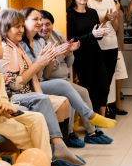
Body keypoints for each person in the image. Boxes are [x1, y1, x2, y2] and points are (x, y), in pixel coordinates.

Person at [0, 8, 86, 166]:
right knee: (45, 98)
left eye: (22, 26)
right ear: (5, 28)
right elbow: (15, 84)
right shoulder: (6, 49)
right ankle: (59, 149)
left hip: (27, 92)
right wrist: (39, 63)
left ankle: (59, 152)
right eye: (17, 27)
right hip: (14, 96)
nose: (21, 30)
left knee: (63, 102)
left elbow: (37, 75)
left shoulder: (17, 46)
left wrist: (45, 61)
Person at [18, 8, 114, 146]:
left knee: (82, 91)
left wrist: (65, 53)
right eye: (37, 20)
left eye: (46, 23)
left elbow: (48, 71)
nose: (42, 25)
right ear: (24, 22)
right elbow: (42, 75)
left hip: (43, 80)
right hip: (38, 83)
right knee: (64, 89)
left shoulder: (41, 41)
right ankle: (81, 124)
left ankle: (91, 131)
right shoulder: (21, 45)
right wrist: (56, 56)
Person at [0, 33, 68, 166]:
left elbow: (4, 98)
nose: (2, 48)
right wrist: (1, 109)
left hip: (5, 113)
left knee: (38, 117)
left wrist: (7, 106)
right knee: (33, 134)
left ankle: (45, 165)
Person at [67, 0, 115, 123]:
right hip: (82, 57)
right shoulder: (71, 14)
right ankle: (92, 122)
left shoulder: (92, 12)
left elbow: (97, 36)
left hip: (97, 54)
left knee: (104, 87)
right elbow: (72, 39)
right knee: (89, 90)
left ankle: (98, 118)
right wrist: (91, 35)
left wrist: (101, 32)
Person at [87, 0, 119, 116]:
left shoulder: (110, 2)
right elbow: (91, 26)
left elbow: (116, 28)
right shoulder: (88, 2)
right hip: (97, 47)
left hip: (112, 45)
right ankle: (96, 112)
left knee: (108, 82)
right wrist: (105, 18)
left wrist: (114, 19)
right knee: (99, 82)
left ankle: (103, 112)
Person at [107, 0, 132, 115]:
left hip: (117, 44)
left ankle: (115, 101)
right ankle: (113, 103)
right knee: (118, 72)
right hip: (109, 44)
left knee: (119, 73)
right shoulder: (108, 3)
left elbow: (127, 14)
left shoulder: (116, 3)